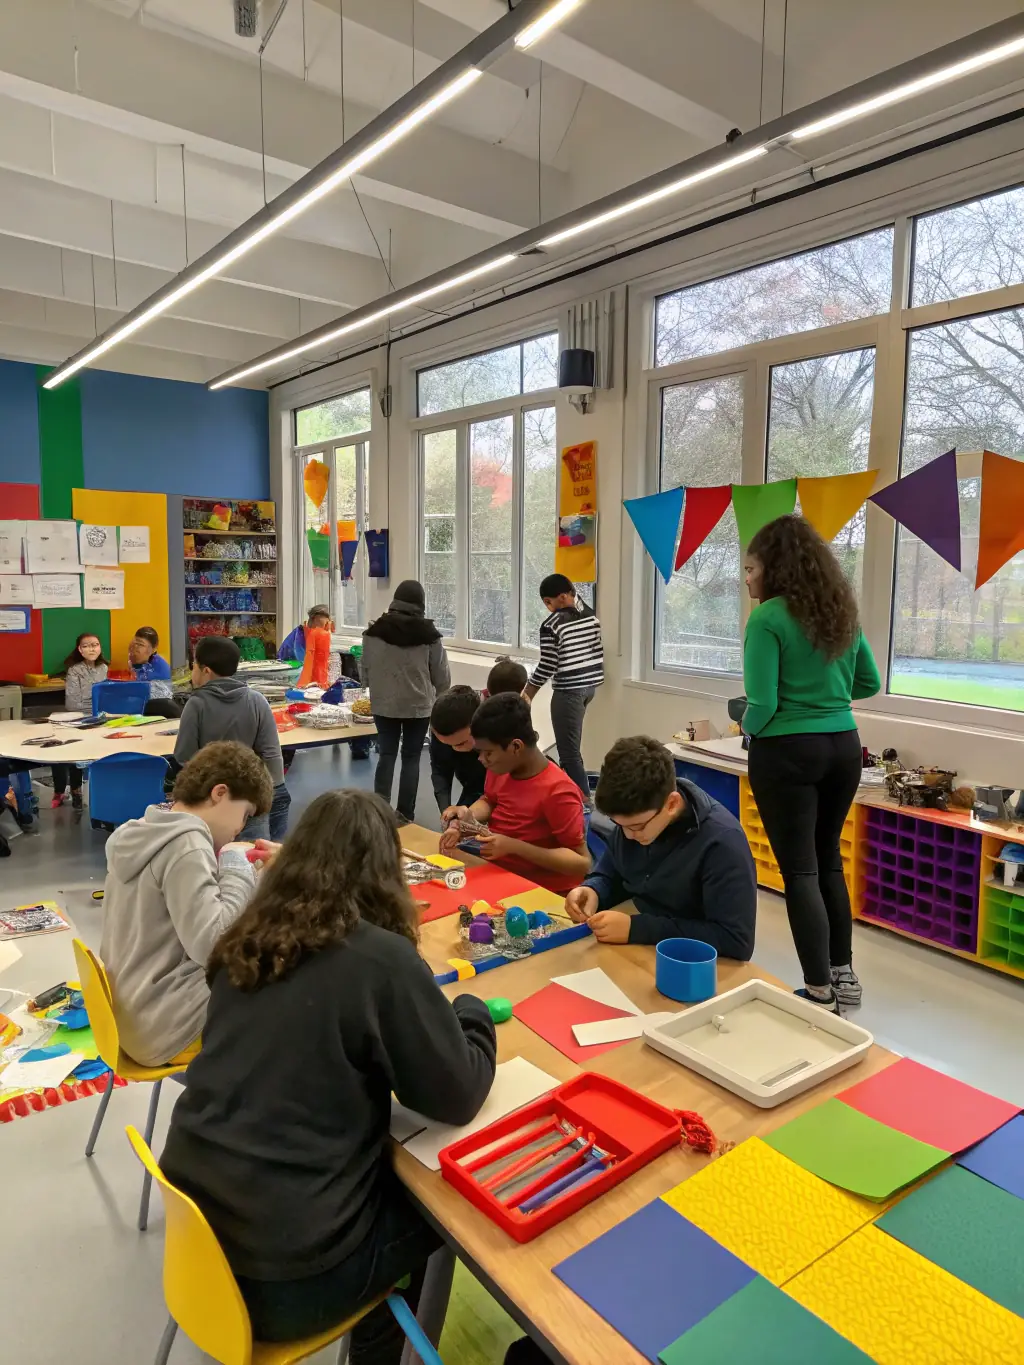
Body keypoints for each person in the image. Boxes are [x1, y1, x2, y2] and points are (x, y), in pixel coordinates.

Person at [160, 790, 496, 1363]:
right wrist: (473, 1013)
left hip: (198, 1241)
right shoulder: (381, 960)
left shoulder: (247, 939)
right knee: (443, 1212)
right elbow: (456, 1094)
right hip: (287, 1283)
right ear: (384, 871)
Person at [742, 515, 881, 1012]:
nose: (748, 578)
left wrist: (746, 729)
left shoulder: (767, 619)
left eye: (751, 567)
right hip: (844, 746)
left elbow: (760, 704)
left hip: (787, 753)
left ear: (773, 568)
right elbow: (868, 684)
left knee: (798, 872)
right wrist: (828, 697)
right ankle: (844, 978)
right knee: (828, 862)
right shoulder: (839, 611)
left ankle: (818, 993)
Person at [99, 741, 273, 1067]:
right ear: (219, 793)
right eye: (245, 814)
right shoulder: (187, 843)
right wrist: (236, 867)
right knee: (296, 991)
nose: (240, 827)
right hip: (169, 1027)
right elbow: (213, 945)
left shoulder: (147, 831)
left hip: (132, 1019)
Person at [565, 736, 756, 956]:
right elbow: (613, 871)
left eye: (637, 827)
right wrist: (594, 889)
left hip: (693, 963)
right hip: (640, 947)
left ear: (672, 804)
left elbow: (735, 940)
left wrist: (636, 929)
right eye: (620, 825)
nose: (628, 835)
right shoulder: (636, 816)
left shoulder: (722, 843)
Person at [440, 693, 589, 893]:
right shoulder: (501, 768)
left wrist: (514, 847)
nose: (481, 759)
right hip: (500, 873)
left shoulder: (558, 792)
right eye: (479, 752)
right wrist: (466, 818)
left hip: (543, 890)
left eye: (488, 752)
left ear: (516, 746)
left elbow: (581, 863)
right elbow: (490, 800)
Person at [173, 635, 291, 841]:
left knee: (215, 857)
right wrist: (270, 795)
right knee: (257, 858)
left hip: (215, 800)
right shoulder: (257, 700)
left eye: (194, 665)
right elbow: (271, 752)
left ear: (205, 670)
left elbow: (185, 756)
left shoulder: (196, 704)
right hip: (254, 795)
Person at [361, 580, 450, 822]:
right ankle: (405, 814)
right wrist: (441, 696)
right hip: (419, 706)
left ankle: (379, 812)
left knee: (386, 755)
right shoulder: (429, 635)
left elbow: (365, 670)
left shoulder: (373, 632)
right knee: (411, 757)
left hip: (383, 704)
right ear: (420, 603)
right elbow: (441, 677)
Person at [522, 574, 603, 805]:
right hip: (589, 688)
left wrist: (528, 693)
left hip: (568, 692)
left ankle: (582, 803)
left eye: (549, 602)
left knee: (568, 753)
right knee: (573, 747)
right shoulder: (591, 615)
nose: (549, 608)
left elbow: (548, 664)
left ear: (562, 597)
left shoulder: (552, 626)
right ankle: (576, 798)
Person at [51, 632, 108, 809]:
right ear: (79, 649)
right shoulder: (75, 670)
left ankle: (96, 792)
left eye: (95, 644)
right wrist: (92, 709)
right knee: (72, 754)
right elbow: (73, 702)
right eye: (87, 645)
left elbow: (105, 695)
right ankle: (70, 790)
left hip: (99, 718)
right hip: (78, 719)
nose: (92, 648)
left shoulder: (103, 668)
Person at [429, 685, 486, 818]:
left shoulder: (498, 739)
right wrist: (447, 811)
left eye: (460, 744)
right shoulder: (443, 733)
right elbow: (440, 771)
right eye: (446, 744)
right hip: (470, 781)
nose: (454, 749)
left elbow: (483, 791)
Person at [129, 626, 173, 701]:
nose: (135, 648)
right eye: (135, 643)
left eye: (141, 645)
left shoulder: (159, 670)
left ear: (153, 649)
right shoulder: (140, 661)